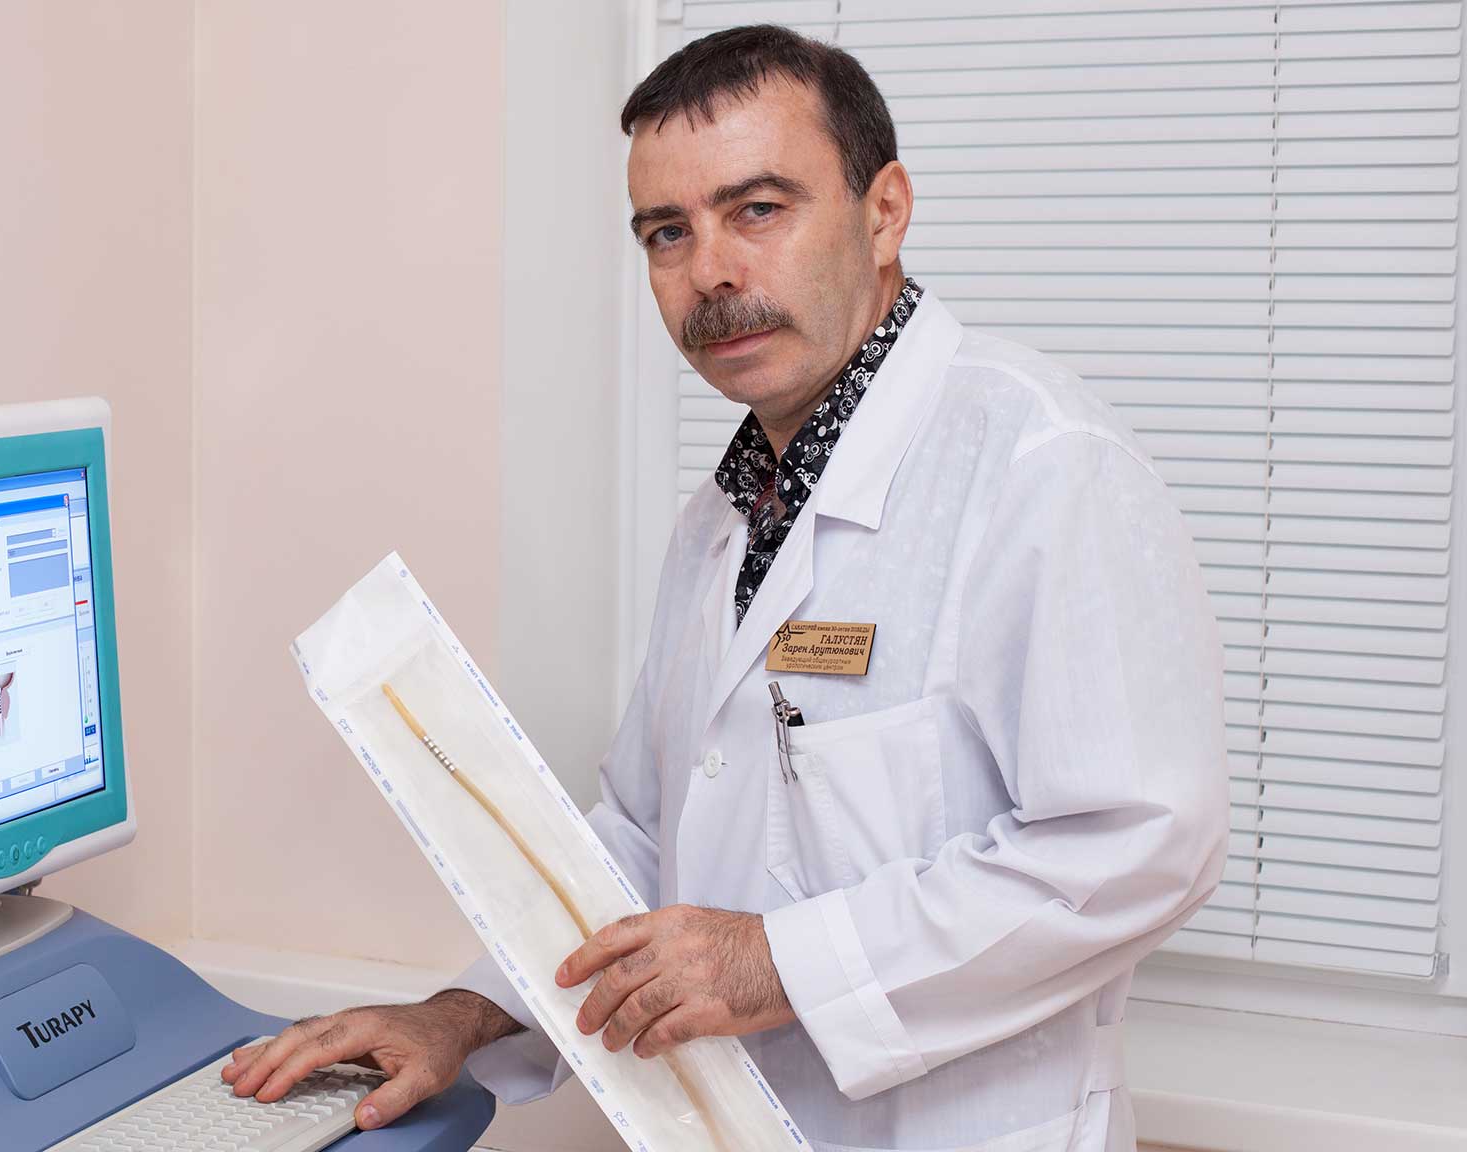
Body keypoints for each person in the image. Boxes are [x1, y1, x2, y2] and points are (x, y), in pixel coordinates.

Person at [223, 24, 1227, 1152]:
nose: (709, 271)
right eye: (667, 231)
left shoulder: (1039, 465)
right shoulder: (723, 519)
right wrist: (459, 1017)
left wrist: (774, 962)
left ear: (883, 212)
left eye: (757, 209)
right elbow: (642, 841)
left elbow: (1139, 846)